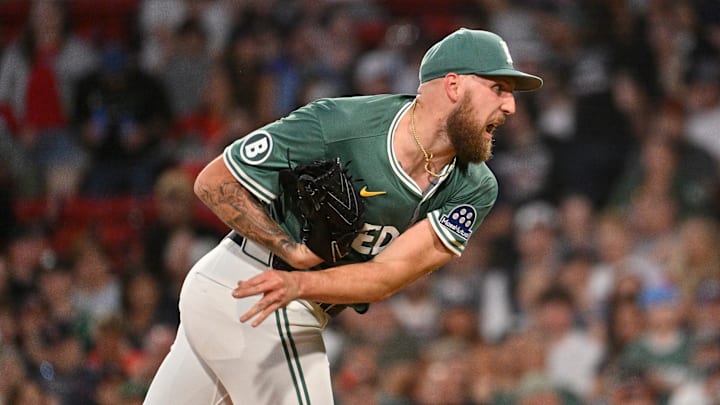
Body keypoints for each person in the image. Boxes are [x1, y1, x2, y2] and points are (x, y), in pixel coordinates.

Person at [144, 28, 543, 404]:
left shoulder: (474, 186)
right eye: (498, 88)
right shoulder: (342, 125)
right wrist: (293, 252)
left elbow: (383, 277)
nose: (509, 105)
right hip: (249, 285)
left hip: (289, 298)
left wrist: (301, 282)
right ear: (454, 86)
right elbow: (214, 181)